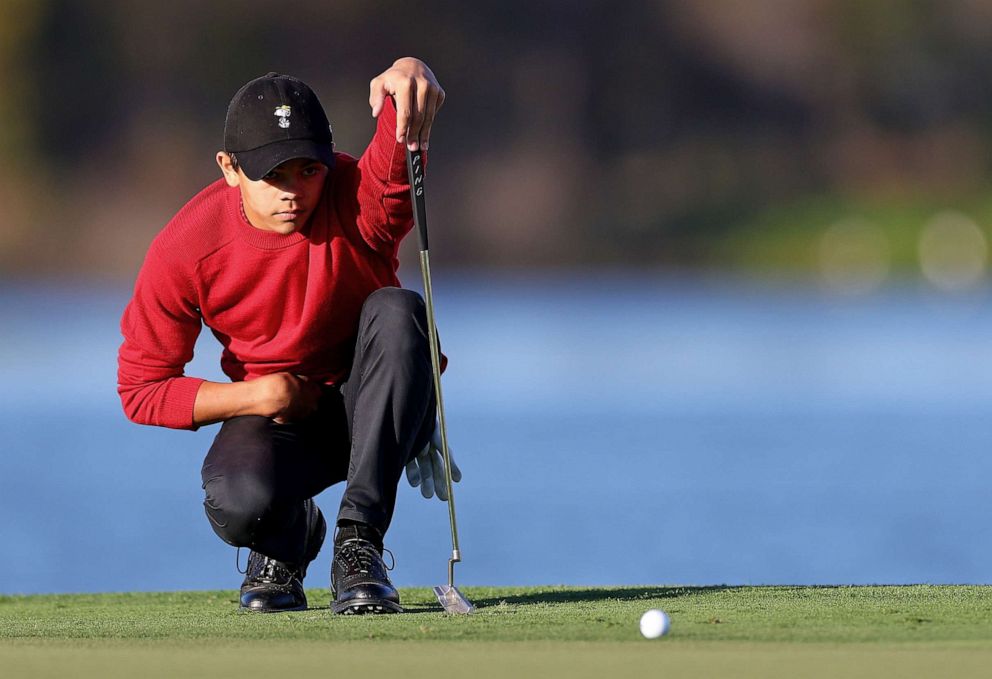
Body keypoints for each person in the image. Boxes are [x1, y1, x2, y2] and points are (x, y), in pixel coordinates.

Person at [116, 57, 460, 615]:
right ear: (229, 168)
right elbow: (141, 388)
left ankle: (359, 546)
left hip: (377, 406)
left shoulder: (352, 195)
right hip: (280, 422)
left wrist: (406, 83)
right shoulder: (186, 245)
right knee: (237, 501)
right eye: (271, 174)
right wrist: (262, 394)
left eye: (308, 170)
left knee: (400, 308)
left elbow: (392, 175)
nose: (293, 192)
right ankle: (288, 540)